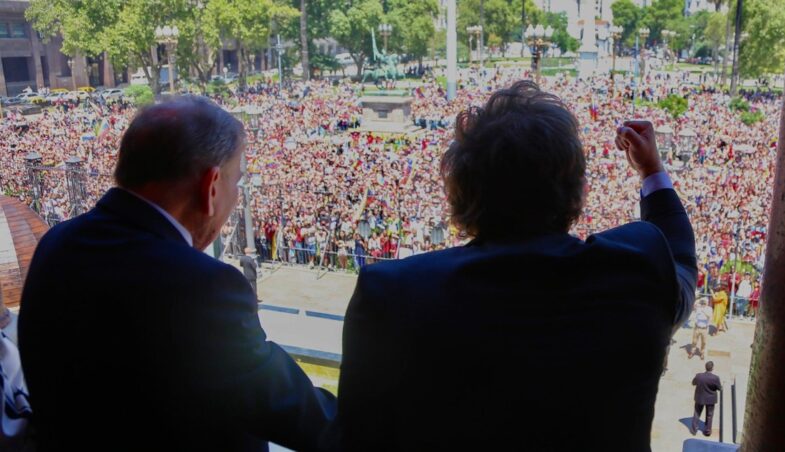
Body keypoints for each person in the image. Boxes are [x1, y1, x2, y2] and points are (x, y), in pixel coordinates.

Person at [335, 81, 696, 451]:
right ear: (580, 191)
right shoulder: (637, 270)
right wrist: (651, 170)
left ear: (457, 192)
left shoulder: (392, 295)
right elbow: (681, 260)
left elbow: (358, 435)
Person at [18, 97, 336, 451]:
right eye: (237, 181)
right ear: (211, 186)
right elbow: (294, 413)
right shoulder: (201, 287)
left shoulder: (55, 244)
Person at [691, 361, 723, 436]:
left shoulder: (699, 376)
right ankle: (707, 431)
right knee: (709, 415)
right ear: (712, 368)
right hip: (710, 399)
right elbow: (719, 388)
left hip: (700, 398)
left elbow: (693, 383)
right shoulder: (715, 378)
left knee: (697, 413)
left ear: (705, 367)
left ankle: (693, 430)